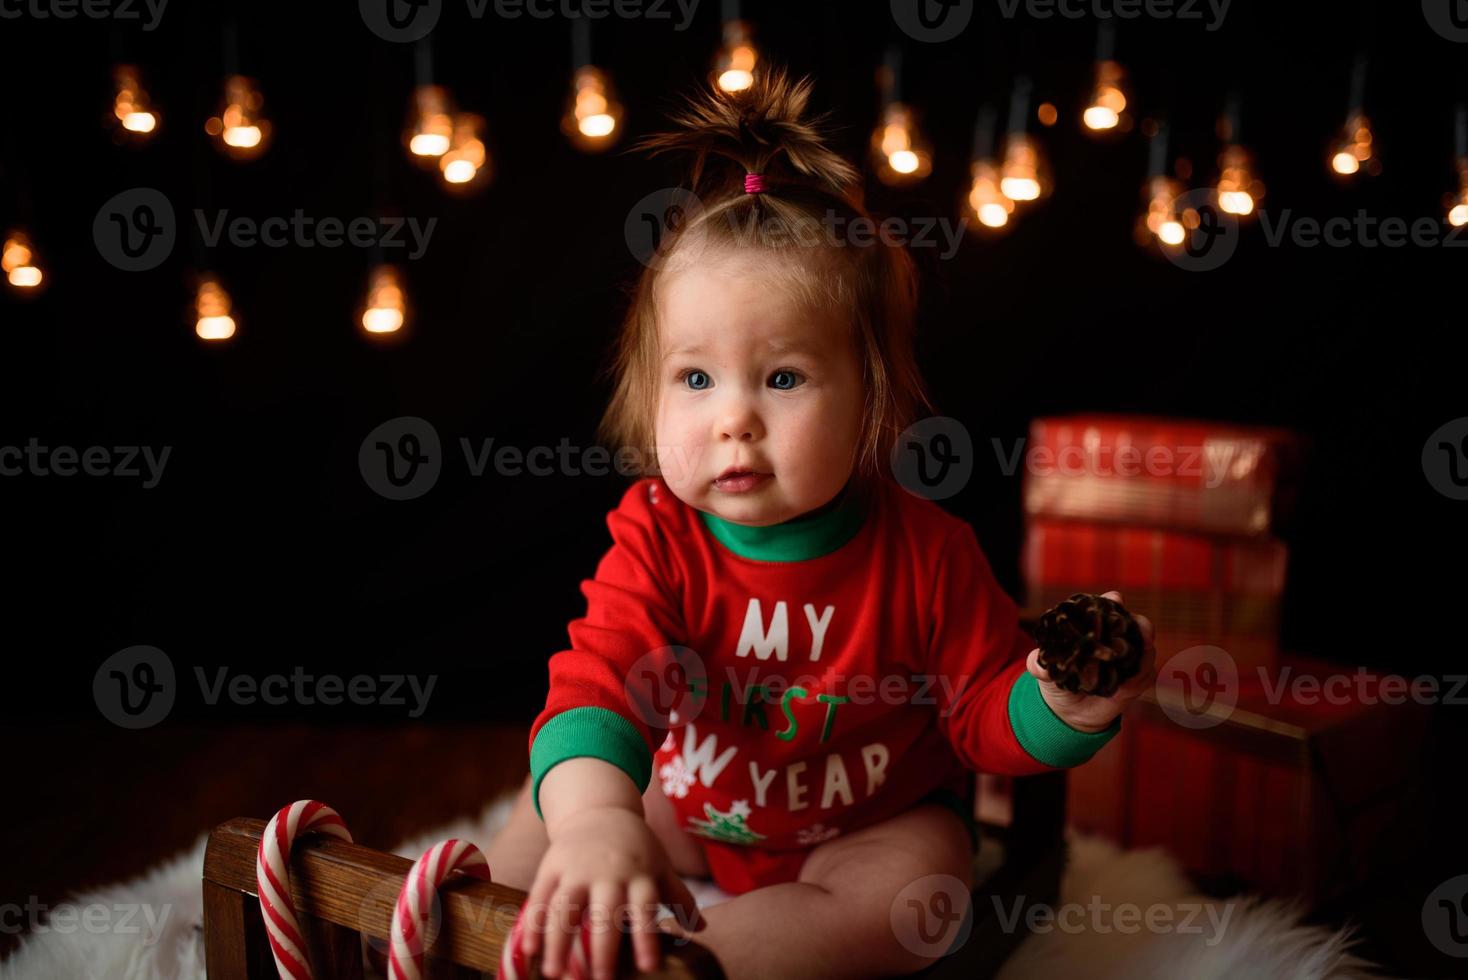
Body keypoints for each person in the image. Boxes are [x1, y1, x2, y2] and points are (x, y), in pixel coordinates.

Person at [485, 66, 1157, 980]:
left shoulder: (925, 554)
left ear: (869, 402)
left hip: (869, 819)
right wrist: (600, 825)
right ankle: (470, 938)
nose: (733, 418)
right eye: (694, 378)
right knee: (552, 816)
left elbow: (980, 717)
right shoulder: (658, 535)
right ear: (648, 396)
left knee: (918, 899)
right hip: (699, 804)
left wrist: (1061, 704)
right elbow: (599, 686)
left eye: (783, 378)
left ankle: (690, 963)